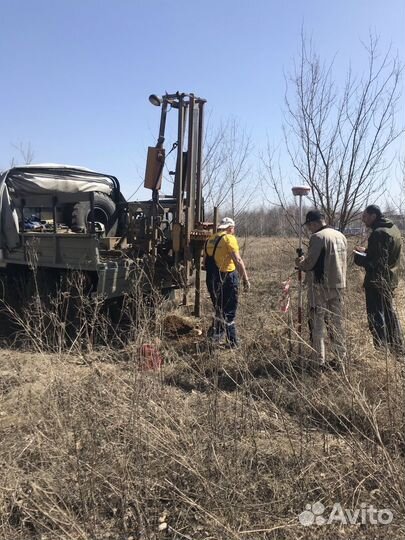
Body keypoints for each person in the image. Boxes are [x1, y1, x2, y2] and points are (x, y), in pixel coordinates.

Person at [296, 210, 347, 370]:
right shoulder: (341, 236)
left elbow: (310, 264)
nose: (310, 229)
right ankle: (341, 360)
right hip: (338, 285)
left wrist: (300, 262)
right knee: (337, 325)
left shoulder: (317, 237)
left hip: (319, 287)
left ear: (314, 223)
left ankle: (318, 362)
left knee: (317, 325)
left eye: (310, 225)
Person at [354, 205, 404, 354]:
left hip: (377, 281)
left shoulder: (378, 233)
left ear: (374, 215)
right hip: (391, 279)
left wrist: (359, 258)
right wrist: (368, 251)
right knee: (389, 314)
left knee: (375, 317)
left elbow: (376, 264)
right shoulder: (393, 229)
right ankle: (398, 348)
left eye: (365, 216)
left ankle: (382, 351)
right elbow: (385, 255)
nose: (363, 219)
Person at [205, 217, 250, 348]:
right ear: (230, 228)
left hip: (212, 279)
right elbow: (238, 260)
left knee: (219, 309)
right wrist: (245, 279)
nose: (233, 231)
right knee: (229, 310)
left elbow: (205, 262)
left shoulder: (210, 239)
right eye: (233, 229)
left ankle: (215, 338)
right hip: (227, 278)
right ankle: (232, 342)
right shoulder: (229, 238)